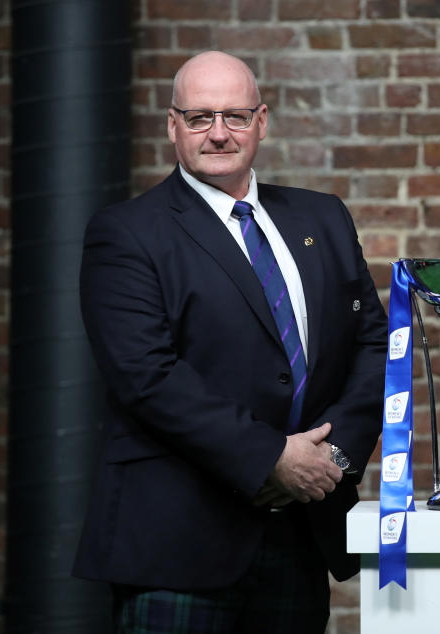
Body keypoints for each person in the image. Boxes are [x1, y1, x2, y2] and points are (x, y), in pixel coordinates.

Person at [72, 51, 387, 633]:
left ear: (261, 121)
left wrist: (332, 458)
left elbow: (373, 345)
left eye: (235, 117)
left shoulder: (323, 217)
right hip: (179, 542)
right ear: (173, 126)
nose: (219, 133)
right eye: (199, 118)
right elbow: (148, 376)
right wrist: (272, 457)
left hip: (299, 533)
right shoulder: (127, 233)